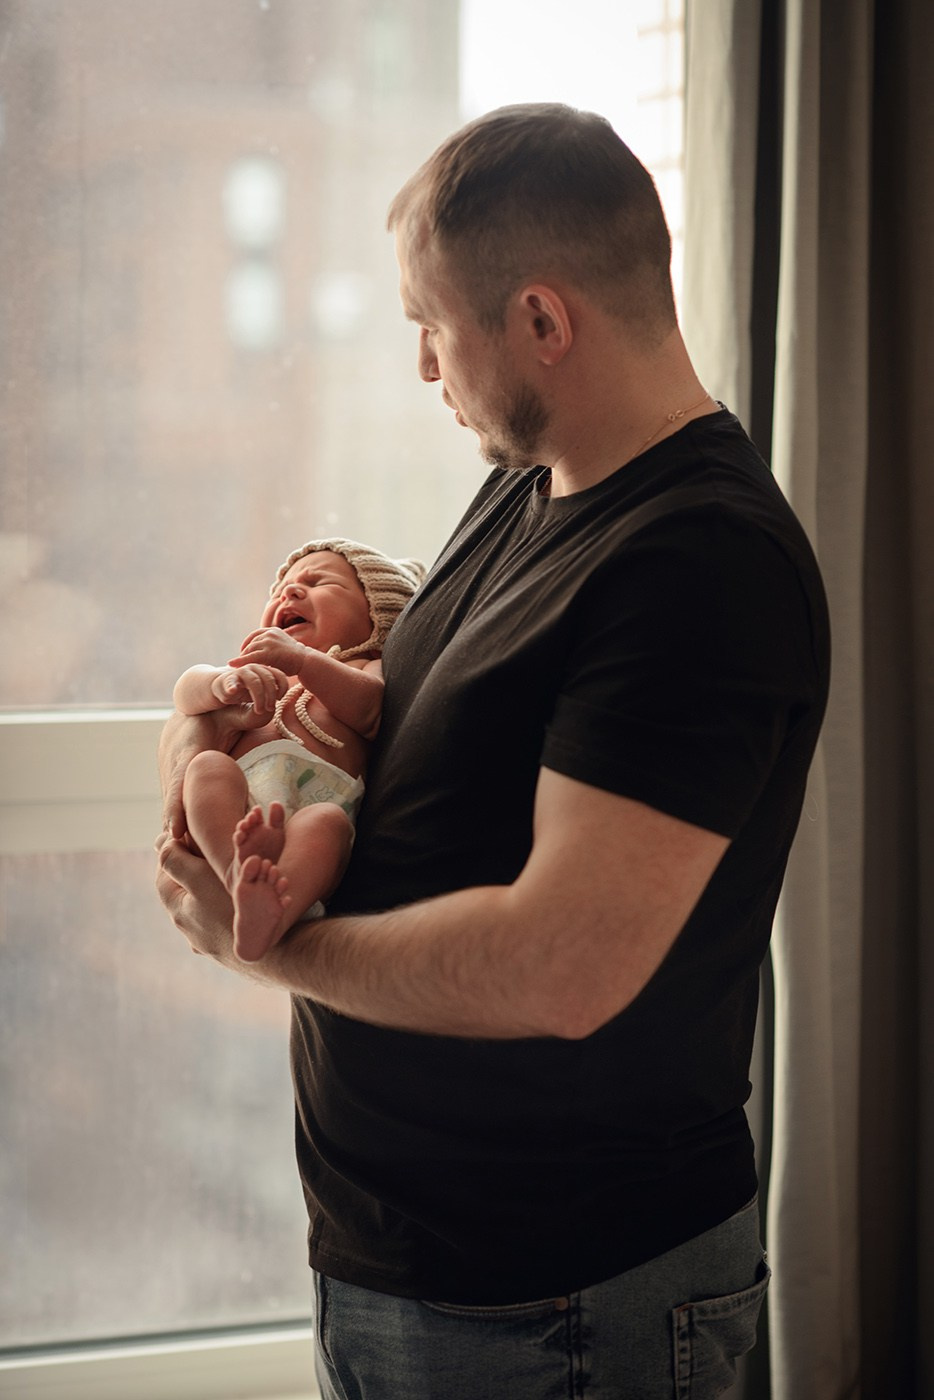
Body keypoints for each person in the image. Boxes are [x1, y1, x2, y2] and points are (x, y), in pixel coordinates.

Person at [157, 103, 830, 1399]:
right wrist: (222, 730)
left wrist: (272, 949)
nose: (423, 365)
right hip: (411, 1267)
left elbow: (558, 967)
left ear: (539, 321)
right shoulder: (528, 489)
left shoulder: (699, 566)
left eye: (432, 324)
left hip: (562, 1305)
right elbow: (418, 758)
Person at [171, 538, 424, 962]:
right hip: (243, 804)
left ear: (377, 619)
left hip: (319, 802)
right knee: (208, 767)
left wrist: (305, 661)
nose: (288, 592)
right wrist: (218, 684)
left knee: (328, 826)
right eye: (280, 589)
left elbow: (372, 709)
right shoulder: (260, 674)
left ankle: (273, 909)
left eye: (317, 581)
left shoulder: (362, 668)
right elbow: (185, 693)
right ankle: (237, 874)